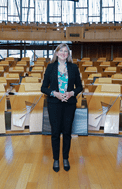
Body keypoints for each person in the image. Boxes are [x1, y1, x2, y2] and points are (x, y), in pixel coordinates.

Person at [41, 43, 83, 172]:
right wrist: (55, 94)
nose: (64, 53)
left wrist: (72, 93)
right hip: (54, 104)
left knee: (67, 132)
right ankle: (55, 159)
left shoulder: (74, 67)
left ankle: (65, 158)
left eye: (66, 51)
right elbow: (43, 88)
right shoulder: (50, 67)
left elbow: (80, 87)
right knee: (55, 133)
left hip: (69, 104)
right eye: (61, 51)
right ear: (57, 53)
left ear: (68, 54)